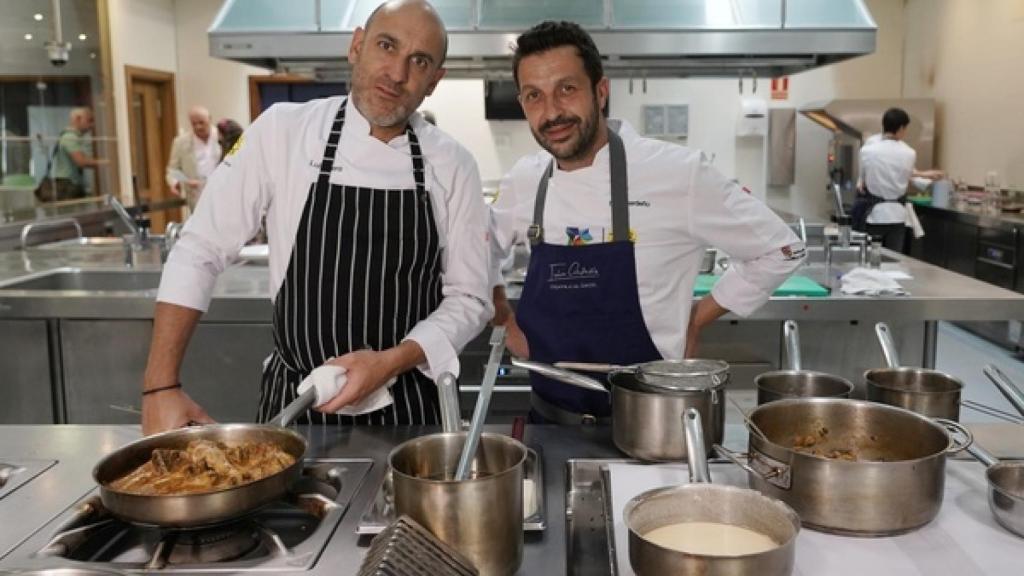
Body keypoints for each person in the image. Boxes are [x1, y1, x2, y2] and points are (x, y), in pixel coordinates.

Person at [141, 0, 492, 435]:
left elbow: (472, 299)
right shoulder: (282, 132)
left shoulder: (454, 164)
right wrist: (160, 386)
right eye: (386, 46)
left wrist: (388, 363)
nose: (397, 73)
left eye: (418, 61)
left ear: (434, 81)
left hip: (413, 414)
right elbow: (200, 249)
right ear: (357, 46)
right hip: (297, 407)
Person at [489, 21, 806, 424]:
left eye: (566, 89)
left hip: (651, 428)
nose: (551, 112)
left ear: (600, 92)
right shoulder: (526, 179)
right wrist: (501, 314)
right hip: (548, 423)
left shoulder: (678, 173)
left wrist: (698, 316)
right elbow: (478, 253)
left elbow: (782, 248)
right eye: (535, 96)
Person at [853, 107, 943, 251]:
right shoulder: (909, 153)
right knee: (893, 261)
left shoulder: (867, 151)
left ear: (884, 126)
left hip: (873, 215)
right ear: (901, 128)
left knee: (869, 259)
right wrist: (925, 175)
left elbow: (862, 181)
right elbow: (906, 174)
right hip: (897, 217)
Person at [38, 107, 105, 202]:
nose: (92, 125)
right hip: (67, 187)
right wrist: (106, 163)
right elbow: (81, 161)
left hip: (69, 185)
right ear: (78, 119)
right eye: (89, 120)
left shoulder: (72, 137)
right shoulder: (70, 137)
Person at [166, 106, 221, 211]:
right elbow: (173, 170)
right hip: (197, 195)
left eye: (201, 122)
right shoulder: (180, 142)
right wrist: (176, 182)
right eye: (194, 124)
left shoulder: (222, 136)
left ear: (210, 119)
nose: (198, 127)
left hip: (222, 192)